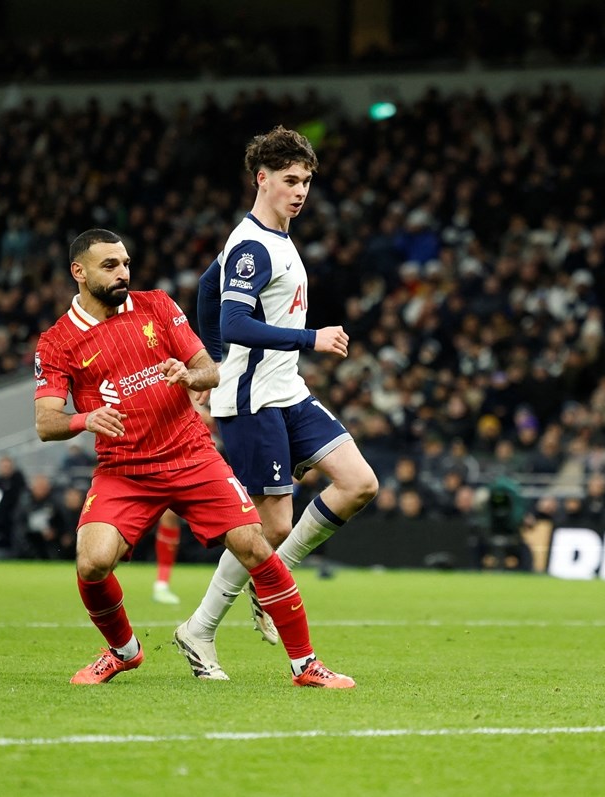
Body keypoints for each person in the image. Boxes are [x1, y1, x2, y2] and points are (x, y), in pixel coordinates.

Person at [34, 227, 351, 688]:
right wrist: (85, 419)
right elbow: (45, 422)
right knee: (92, 563)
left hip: (190, 454)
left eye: (125, 263)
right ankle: (123, 651)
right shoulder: (58, 341)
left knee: (255, 544)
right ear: (77, 272)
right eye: (110, 266)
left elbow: (212, 370)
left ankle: (306, 665)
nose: (123, 272)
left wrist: (190, 374)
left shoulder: (157, 305)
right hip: (124, 470)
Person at [176, 126, 378, 680]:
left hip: (288, 391)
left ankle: (271, 587)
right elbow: (236, 319)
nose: (301, 190)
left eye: (307, 180)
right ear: (260, 179)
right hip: (251, 400)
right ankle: (200, 629)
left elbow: (203, 285)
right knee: (270, 529)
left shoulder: (275, 240)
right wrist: (304, 339)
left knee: (358, 482)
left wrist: (205, 361)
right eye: (290, 180)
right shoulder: (252, 245)